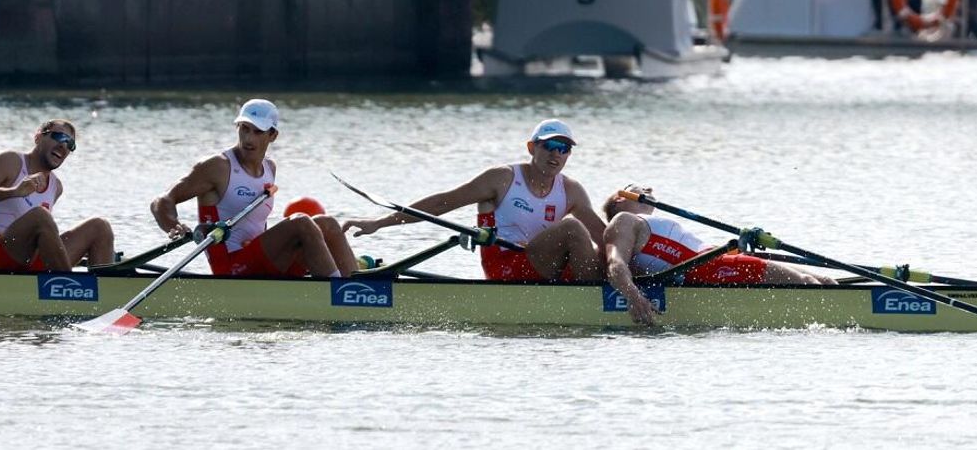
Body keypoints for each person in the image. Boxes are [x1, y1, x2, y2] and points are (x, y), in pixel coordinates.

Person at [342, 119, 604, 282]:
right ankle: (600, 298)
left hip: (544, 267)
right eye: (549, 146)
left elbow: (605, 236)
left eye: (564, 149)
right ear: (531, 148)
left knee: (606, 245)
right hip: (505, 266)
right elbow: (442, 203)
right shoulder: (502, 178)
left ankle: (623, 283)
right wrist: (378, 223)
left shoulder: (571, 190)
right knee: (572, 228)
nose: (556, 154)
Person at [151, 99, 357, 277]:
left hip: (260, 261)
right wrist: (172, 226)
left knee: (328, 223)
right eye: (244, 129)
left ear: (273, 136)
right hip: (231, 267)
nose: (249, 139)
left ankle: (360, 289)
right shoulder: (217, 167)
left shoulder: (270, 168)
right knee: (301, 222)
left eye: (258, 132)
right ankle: (341, 295)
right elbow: (162, 201)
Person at [603, 184, 837, 325]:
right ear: (620, 199)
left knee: (824, 280)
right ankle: (848, 320)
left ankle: (847, 308)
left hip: (716, 262)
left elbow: (695, 251)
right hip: (708, 269)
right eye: (639, 187)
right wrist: (633, 297)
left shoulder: (649, 222)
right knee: (808, 283)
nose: (649, 190)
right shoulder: (622, 221)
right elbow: (615, 265)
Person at [0, 119, 114, 271]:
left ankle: (105, 290)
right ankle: (70, 287)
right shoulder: (10, 161)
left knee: (100, 226)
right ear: (38, 136)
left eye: (70, 144)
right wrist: (14, 191)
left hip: (25, 261)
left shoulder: (56, 187)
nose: (63, 145)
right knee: (40, 217)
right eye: (59, 137)